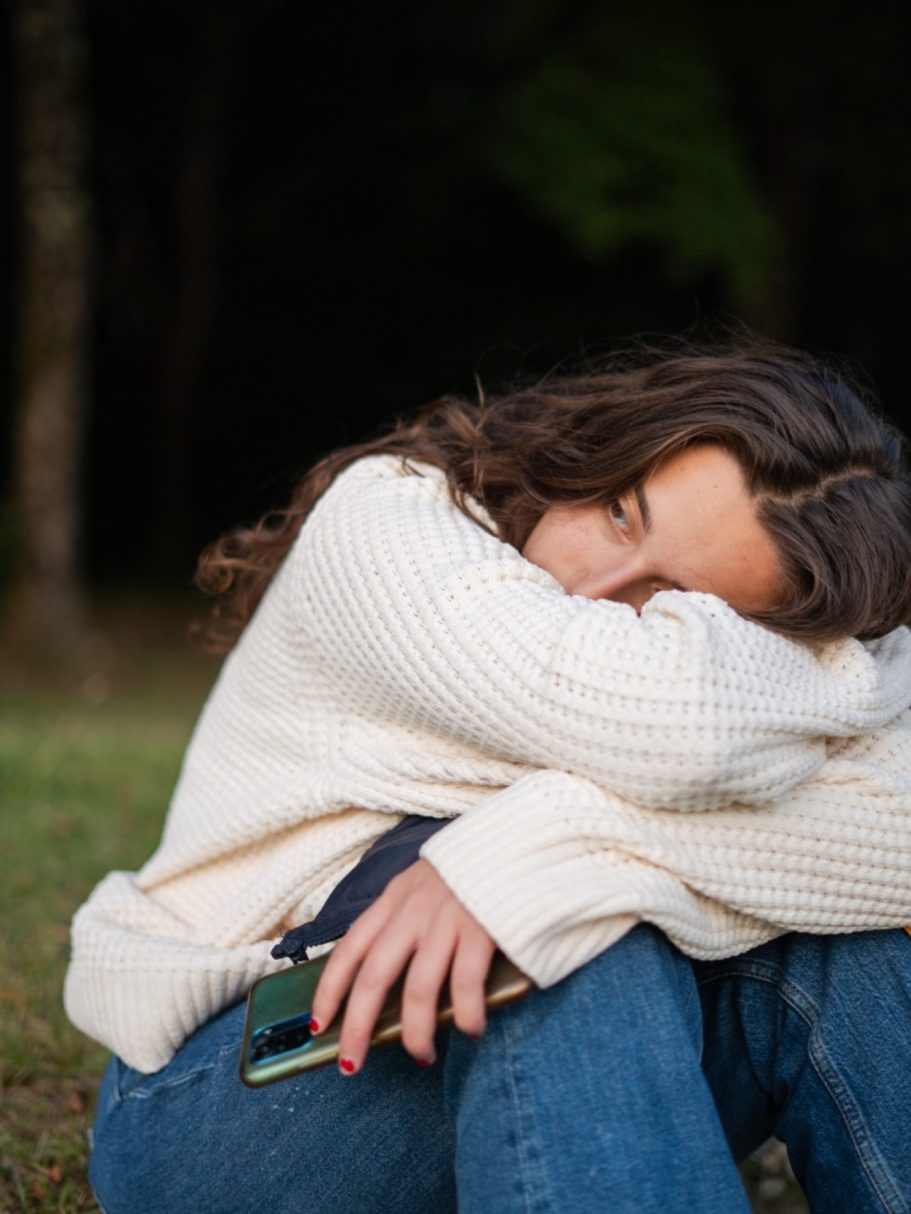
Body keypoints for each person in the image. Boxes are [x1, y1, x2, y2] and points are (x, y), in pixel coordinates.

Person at [67, 342, 911, 1214]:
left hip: (538, 1084)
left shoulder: (726, 701)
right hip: (241, 1089)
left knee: (842, 941)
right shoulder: (388, 523)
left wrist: (521, 853)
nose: (591, 586)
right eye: (621, 515)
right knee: (558, 932)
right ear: (608, 445)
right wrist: (872, 670)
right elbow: (683, 732)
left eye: (678, 606)